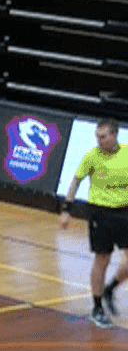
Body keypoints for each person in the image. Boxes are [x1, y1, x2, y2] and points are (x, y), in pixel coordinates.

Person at [62, 119, 128, 328]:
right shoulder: (92, 157)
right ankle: (97, 307)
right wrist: (66, 209)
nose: (99, 141)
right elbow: (76, 180)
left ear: (115, 135)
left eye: (103, 136)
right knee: (103, 259)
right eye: (97, 137)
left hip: (124, 213)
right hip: (101, 214)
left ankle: (110, 289)